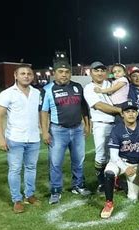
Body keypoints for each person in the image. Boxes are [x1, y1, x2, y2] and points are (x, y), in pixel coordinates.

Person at [40, 60, 91, 204]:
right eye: (61, 72)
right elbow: (43, 112)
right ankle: (56, 190)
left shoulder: (77, 86)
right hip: (58, 131)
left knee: (78, 160)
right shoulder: (47, 89)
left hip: (77, 129)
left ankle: (78, 185)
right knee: (56, 162)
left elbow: (84, 108)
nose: (64, 75)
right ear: (54, 73)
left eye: (67, 72)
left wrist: (87, 125)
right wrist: (44, 132)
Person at [0, 65, 41, 213]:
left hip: (33, 138)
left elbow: (39, 113)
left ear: (32, 77)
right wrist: (1, 138)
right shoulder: (7, 94)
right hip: (15, 138)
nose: (26, 76)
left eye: (29, 74)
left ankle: (30, 194)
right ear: (16, 75)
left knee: (31, 168)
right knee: (15, 169)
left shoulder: (36, 93)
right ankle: (17, 199)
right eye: (23, 73)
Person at [100, 101, 139, 218]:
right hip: (120, 162)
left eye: (133, 111)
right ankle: (109, 203)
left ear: (137, 114)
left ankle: (123, 183)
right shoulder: (117, 129)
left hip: (136, 164)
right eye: (127, 112)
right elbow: (113, 155)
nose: (131, 114)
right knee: (109, 172)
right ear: (122, 114)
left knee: (133, 198)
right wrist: (125, 168)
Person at [83, 61, 123, 194]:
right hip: (101, 124)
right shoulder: (88, 88)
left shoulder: (110, 84)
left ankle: (115, 181)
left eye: (102, 70)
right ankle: (102, 183)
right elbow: (99, 105)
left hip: (116, 123)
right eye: (96, 70)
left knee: (116, 155)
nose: (99, 73)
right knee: (101, 156)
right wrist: (119, 110)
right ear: (91, 72)